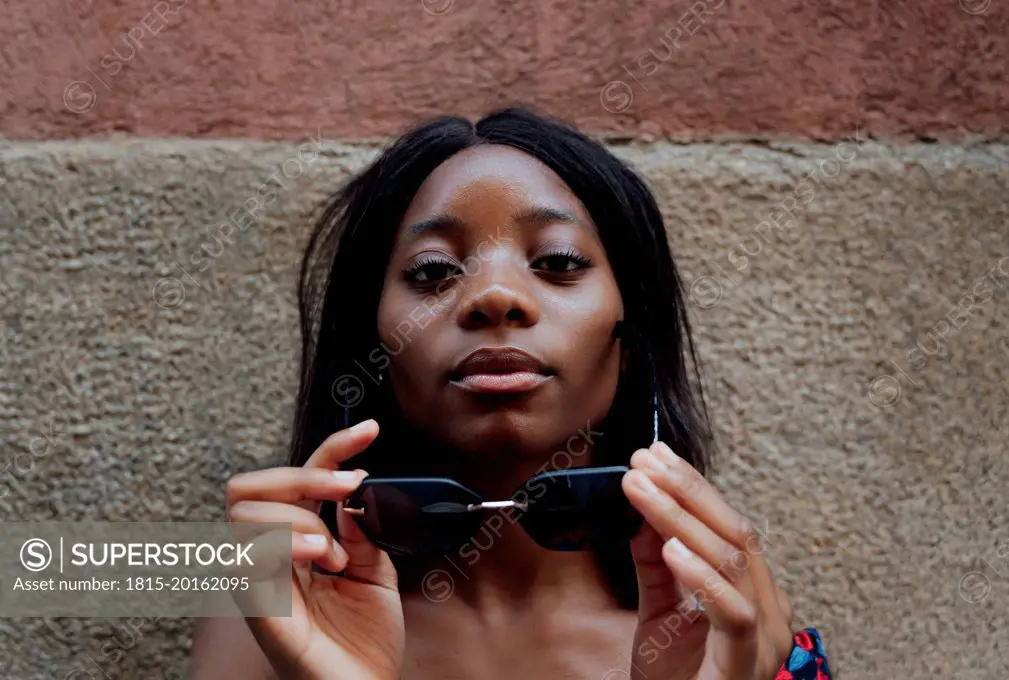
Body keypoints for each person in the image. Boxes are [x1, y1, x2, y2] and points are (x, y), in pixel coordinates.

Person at [187, 107, 832, 680]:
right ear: (372, 348)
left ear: (631, 336)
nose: (494, 296)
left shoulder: (727, 634)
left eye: (556, 262)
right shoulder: (270, 622)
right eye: (434, 271)